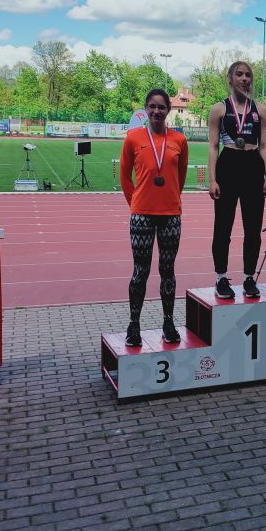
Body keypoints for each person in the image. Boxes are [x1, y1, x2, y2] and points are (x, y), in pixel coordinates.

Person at [120, 88, 189, 347]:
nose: (157, 111)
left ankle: (168, 322)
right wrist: (136, 203)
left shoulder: (179, 140)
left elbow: (180, 177)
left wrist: (170, 198)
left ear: (168, 110)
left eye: (161, 107)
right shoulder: (133, 138)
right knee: (140, 271)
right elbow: (125, 176)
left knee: (167, 271)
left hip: (171, 214)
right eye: (152, 106)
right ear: (145, 109)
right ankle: (134, 324)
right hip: (141, 216)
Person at [208, 61, 266, 299]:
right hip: (228, 164)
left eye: (248, 75)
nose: (244, 79)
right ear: (230, 78)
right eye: (239, 74)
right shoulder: (219, 109)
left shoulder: (260, 109)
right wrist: (213, 179)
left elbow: (264, 145)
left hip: (253, 165)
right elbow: (213, 146)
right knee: (223, 226)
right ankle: (221, 277)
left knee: (253, 228)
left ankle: (248, 277)